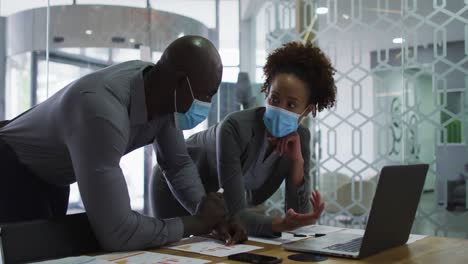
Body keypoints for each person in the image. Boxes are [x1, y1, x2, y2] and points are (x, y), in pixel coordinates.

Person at [0, 35, 228, 251]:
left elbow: (177, 165)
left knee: (54, 253)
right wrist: (197, 223)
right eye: (207, 94)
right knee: (30, 253)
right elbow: (118, 233)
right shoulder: (100, 110)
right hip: (12, 165)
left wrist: (212, 216)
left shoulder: (163, 94)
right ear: (179, 82)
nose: (207, 103)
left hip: (55, 173)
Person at [151, 41, 337, 243]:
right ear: (266, 93)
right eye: (275, 99)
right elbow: (237, 214)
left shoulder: (301, 139)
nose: (280, 108)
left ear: (307, 110)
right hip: (175, 186)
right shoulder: (234, 128)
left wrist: (297, 164)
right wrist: (282, 225)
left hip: (218, 205)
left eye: (291, 104)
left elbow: (299, 220)